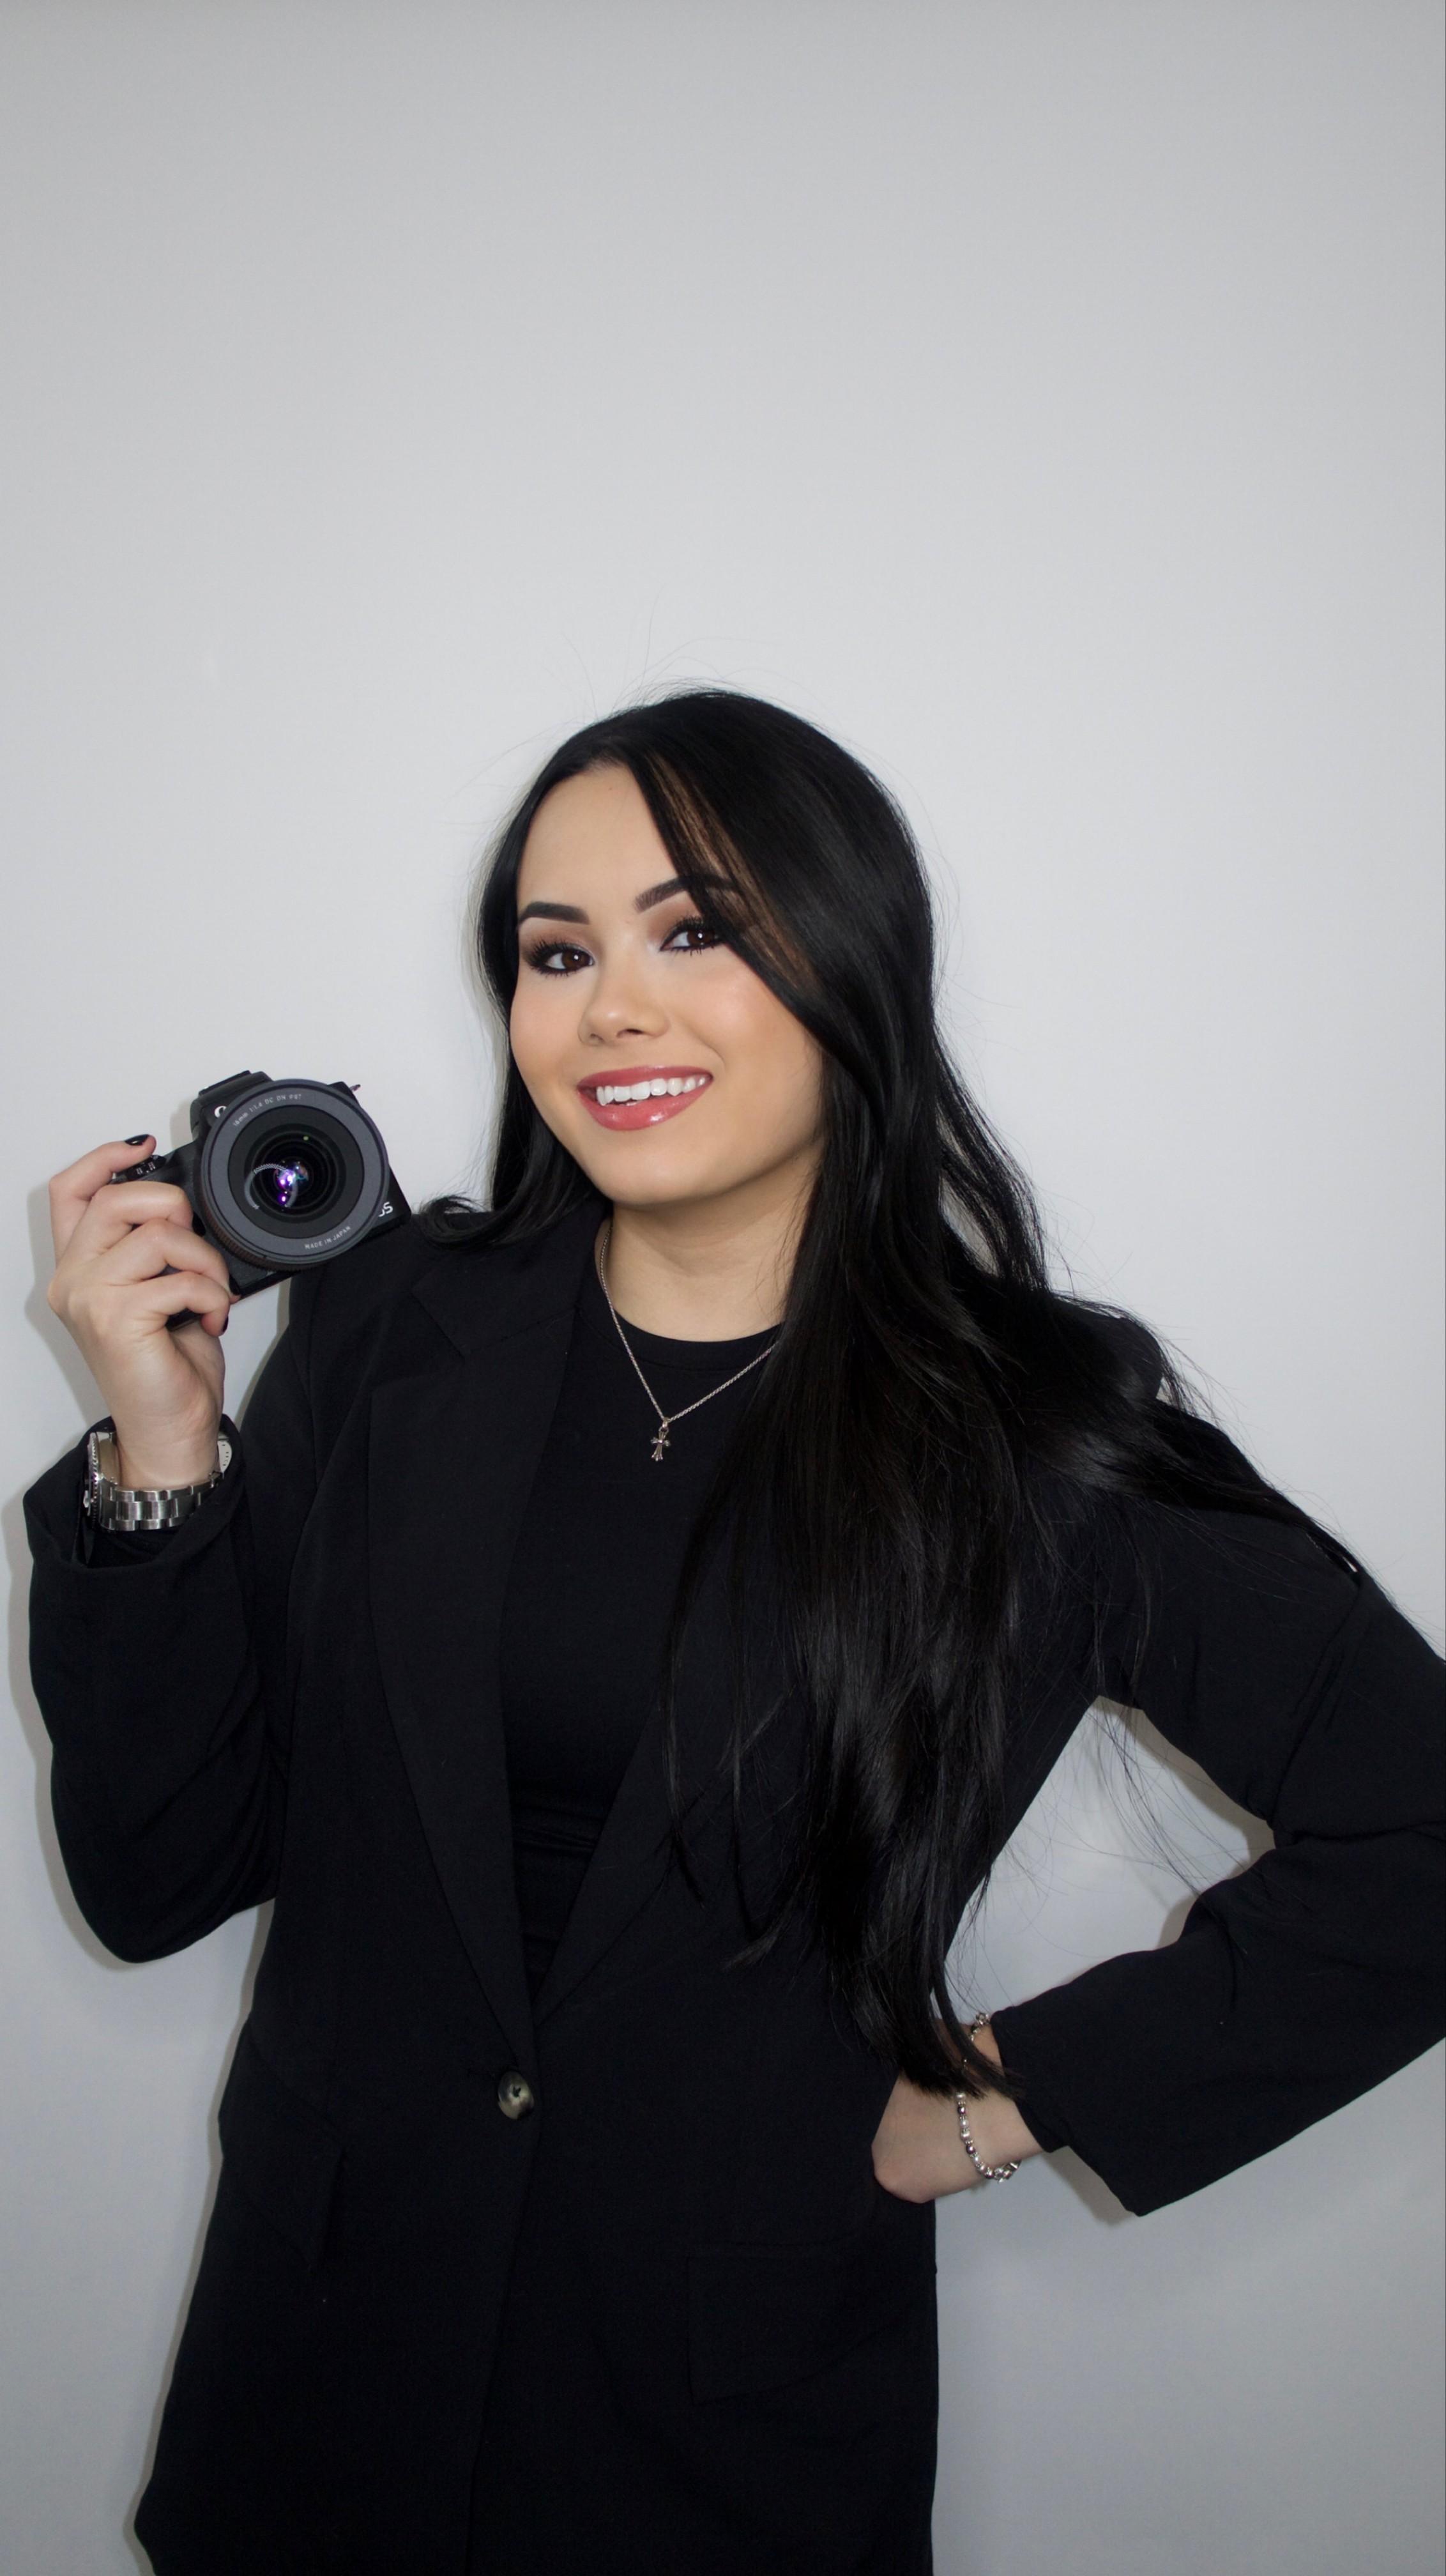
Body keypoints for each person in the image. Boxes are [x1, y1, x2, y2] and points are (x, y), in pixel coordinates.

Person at [26, 691, 1444, 2576]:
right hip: (313, 2408)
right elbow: (156, 1876)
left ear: (851, 965)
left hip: (719, 2449)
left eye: (693, 930)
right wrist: (162, 1450)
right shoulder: (386, 1336)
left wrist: (1016, 2095)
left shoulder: (1030, 1443)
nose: (611, 1008)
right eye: (557, 954)